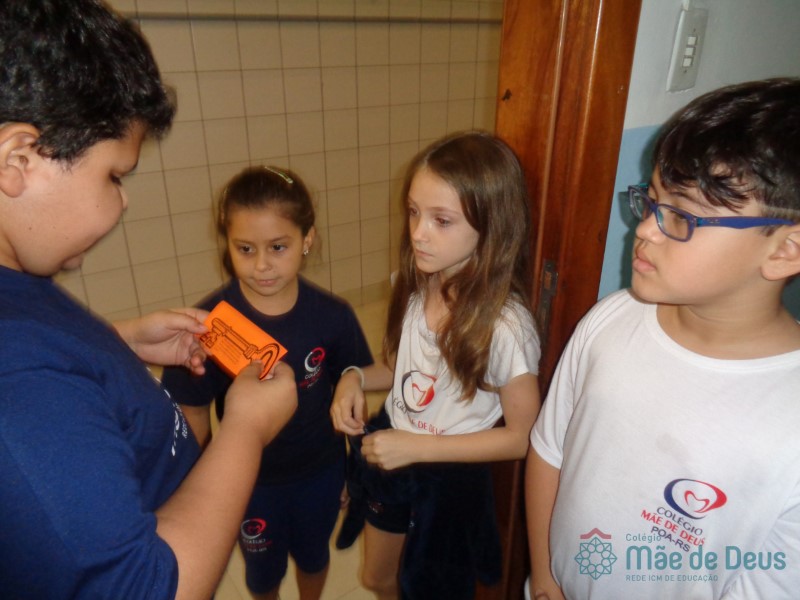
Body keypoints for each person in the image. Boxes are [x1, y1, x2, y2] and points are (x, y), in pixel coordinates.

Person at [0, 2, 298, 599]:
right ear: (18, 160)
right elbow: (149, 588)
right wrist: (244, 427)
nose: (123, 200)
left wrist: (118, 342)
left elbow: (44, 361)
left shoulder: (18, 283)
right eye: (115, 176)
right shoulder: (16, 378)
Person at [527, 77, 800, 600]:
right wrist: (543, 578)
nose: (646, 230)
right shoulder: (610, 320)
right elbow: (549, 450)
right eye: (651, 202)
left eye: (680, 215)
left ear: (785, 251)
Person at [330, 131, 542, 600]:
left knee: (431, 586)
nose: (418, 233)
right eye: (413, 211)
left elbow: (523, 437)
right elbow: (399, 367)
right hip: (394, 449)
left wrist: (419, 447)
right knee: (377, 578)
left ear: (492, 226)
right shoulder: (412, 281)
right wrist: (354, 377)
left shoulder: (506, 327)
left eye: (441, 220)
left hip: (449, 473)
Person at [161, 165, 373, 600]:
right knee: (262, 575)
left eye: (278, 247)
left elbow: (354, 383)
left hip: (320, 471)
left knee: (314, 557)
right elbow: (191, 413)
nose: (261, 265)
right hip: (248, 481)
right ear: (227, 244)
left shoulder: (333, 316)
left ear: (307, 239)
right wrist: (204, 488)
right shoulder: (209, 326)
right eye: (245, 248)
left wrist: (350, 468)